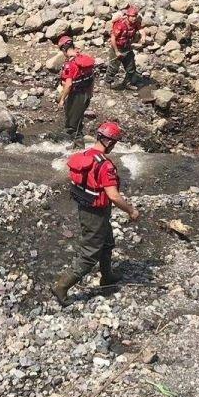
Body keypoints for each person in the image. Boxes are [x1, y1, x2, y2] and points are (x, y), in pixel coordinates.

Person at [52, 121, 140, 305]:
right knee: (90, 253)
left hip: (86, 206)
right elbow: (113, 196)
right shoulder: (105, 166)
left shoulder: (84, 155)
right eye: (114, 143)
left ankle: (107, 276)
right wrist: (131, 210)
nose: (114, 146)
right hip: (96, 213)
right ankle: (62, 286)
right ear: (110, 142)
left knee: (107, 242)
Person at [57, 35, 96, 140]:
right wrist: (90, 93)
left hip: (76, 96)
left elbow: (69, 84)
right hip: (86, 93)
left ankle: (78, 145)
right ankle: (77, 141)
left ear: (64, 50)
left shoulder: (70, 64)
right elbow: (91, 77)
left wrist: (62, 99)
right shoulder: (81, 59)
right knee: (78, 119)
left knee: (72, 125)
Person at [106, 4, 143, 89]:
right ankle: (108, 83)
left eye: (135, 16)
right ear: (128, 16)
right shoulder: (120, 25)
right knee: (113, 67)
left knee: (131, 67)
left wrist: (143, 36)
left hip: (127, 47)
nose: (134, 18)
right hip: (117, 48)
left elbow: (141, 29)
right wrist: (116, 51)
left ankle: (127, 83)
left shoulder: (135, 23)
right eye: (132, 16)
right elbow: (113, 38)